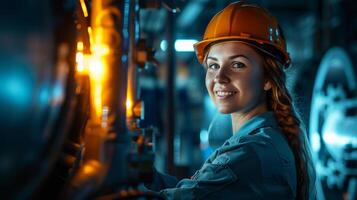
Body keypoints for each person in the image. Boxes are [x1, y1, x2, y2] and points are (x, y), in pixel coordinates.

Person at [146, 1, 317, 199]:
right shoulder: (258, 143)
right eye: (213, 65)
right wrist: (147, 176)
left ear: (268, 79)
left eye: (237, 64)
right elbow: (199, 189)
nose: (219, 77)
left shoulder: (251, 154)